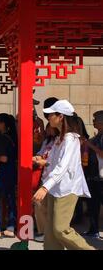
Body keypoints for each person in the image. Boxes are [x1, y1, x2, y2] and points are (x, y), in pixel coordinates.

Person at [33, 99, 94, 250]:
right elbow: (54, 164)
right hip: (56, 188)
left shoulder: (71, 139)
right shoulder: (59, 138)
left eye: (51, 115)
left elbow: (62, 167)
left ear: (60, 116)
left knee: (60, 229)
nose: (48, 118)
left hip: (67, 189)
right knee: (51, 231)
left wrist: (44, 187)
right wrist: (42, 161)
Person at [32, 123, 60, 243]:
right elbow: (41, 152)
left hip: (56, 179)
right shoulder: (47, 141)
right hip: (45, 177)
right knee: (39, 203)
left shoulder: (60, 141)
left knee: (53, 207)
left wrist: (45, 161)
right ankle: (43, 231)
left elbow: (57, 161)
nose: (48, 130)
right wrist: (37, 157)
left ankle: (53, 233)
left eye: (50, 127)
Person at [83, 110, 103, 239]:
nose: (94, 122)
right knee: (93, 204)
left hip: (101, 177)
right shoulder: (98, 135)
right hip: (93, 176)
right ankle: (93, 229)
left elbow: (101, 153)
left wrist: (88, 144)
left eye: (95, 120)